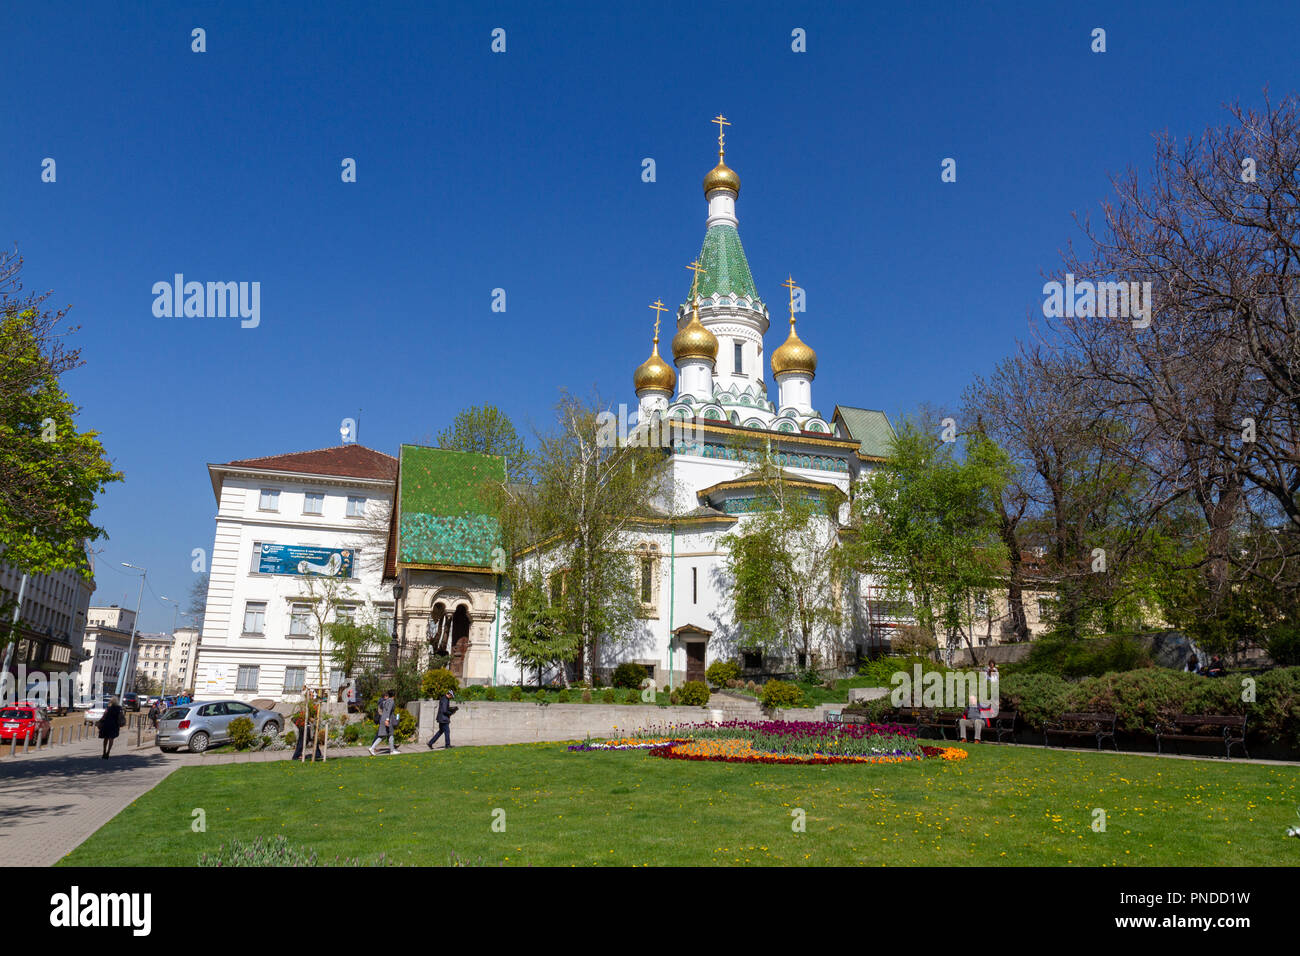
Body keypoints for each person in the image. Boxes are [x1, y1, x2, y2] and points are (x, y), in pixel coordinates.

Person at [369, 690, 399, 755]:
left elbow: (384, 710)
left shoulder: (385, 701)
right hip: (387, 720)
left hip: (383, 718)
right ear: (394, 695)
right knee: (390, 734)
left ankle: (372, 748)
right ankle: (392, 751)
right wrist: (387, 720)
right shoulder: (391, 701)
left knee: (383, 735)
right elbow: (388, 711)